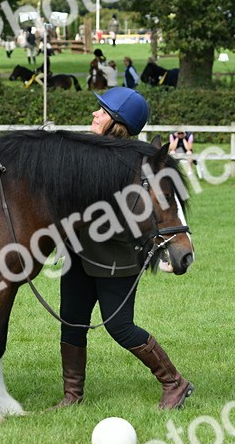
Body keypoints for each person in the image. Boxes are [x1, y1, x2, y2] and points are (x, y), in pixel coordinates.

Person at [53, 86, 194, 411]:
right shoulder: (86, 150)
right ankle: (72, 396)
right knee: (71, 320)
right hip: (78, 253)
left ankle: (175, 383)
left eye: (101, 111)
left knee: (120, 327)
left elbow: (156, 212)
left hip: (116, 258)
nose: (94, 115)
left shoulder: (139, 163)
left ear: (116, 121)